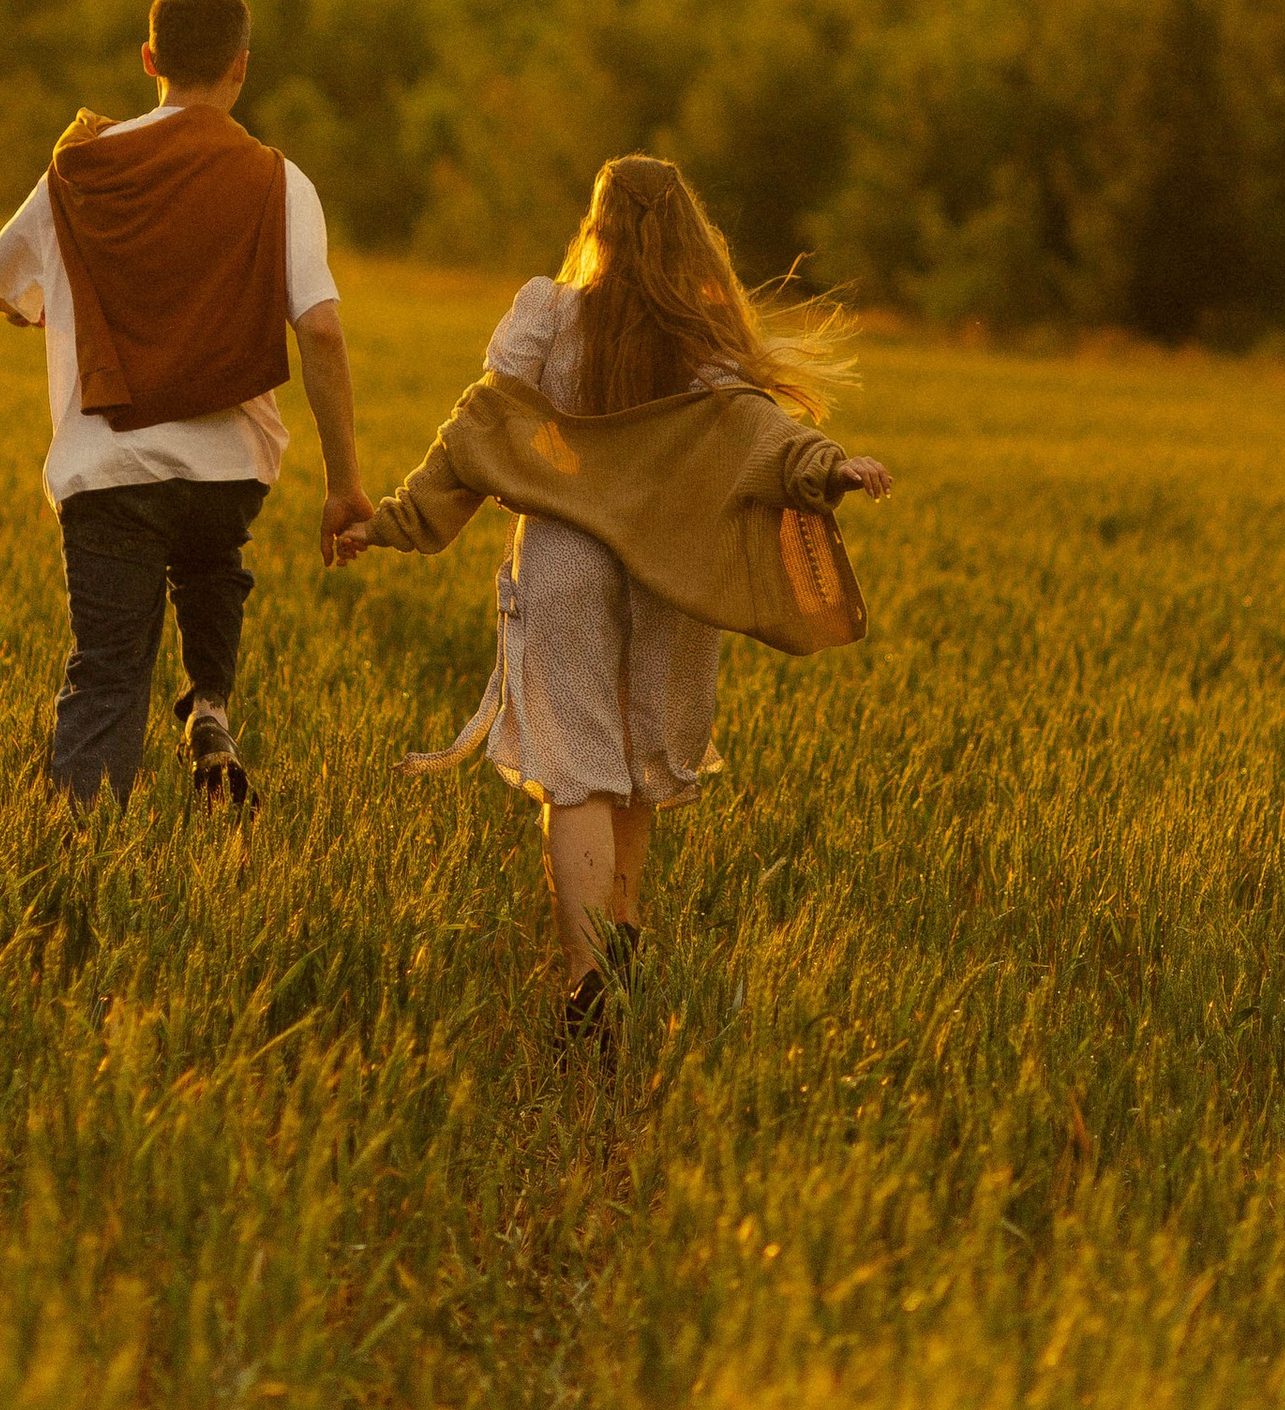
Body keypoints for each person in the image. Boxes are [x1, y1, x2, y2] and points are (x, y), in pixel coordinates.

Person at [334, 153, 889, 1042]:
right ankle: (622, 946)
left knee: (576, 776)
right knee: (635, 765)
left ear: (597, 227)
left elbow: (478, 431)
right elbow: (763, 433)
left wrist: (394, 520)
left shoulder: (547, 316)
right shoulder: (696, 336)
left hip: (564, 565)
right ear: (685, 233)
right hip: (668, 573)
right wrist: (831, 467)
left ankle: (592, 982)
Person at [0, 0, 371, 814]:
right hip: (229, 472)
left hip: (109, 470)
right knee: (210, 558)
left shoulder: (79, 172)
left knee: (108, 676)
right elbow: (322, 329)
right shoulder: (278, 180)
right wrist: (345, 486)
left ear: (149, 57)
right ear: (241, 69)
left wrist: (39, 312)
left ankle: (79, 870)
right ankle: (210, 702)